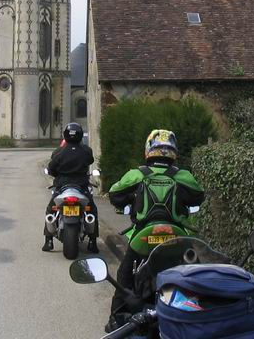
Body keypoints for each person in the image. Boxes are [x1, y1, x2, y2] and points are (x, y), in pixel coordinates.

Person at [106, 129, 205, 332]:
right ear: (173, 150)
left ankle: (115, 320)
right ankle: (200, 316)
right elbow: (198, 197)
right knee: (195, 274)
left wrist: (131, 201)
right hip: (176, 236)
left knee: (125, 275)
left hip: (143, 235)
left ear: (148, 149)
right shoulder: (183, 176)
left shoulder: (137, 174)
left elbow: (115, 194)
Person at [42, 122, 99, 253]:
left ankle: (48, 241)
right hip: (81, 187)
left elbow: (51, 168)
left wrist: (57, 174)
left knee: (51, 210)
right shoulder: (86, 150)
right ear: (80, 135)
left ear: (65, 135)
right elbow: (90, 160)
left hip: (62, 186)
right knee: (92, 211)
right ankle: (92, 242)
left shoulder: (59, 152)